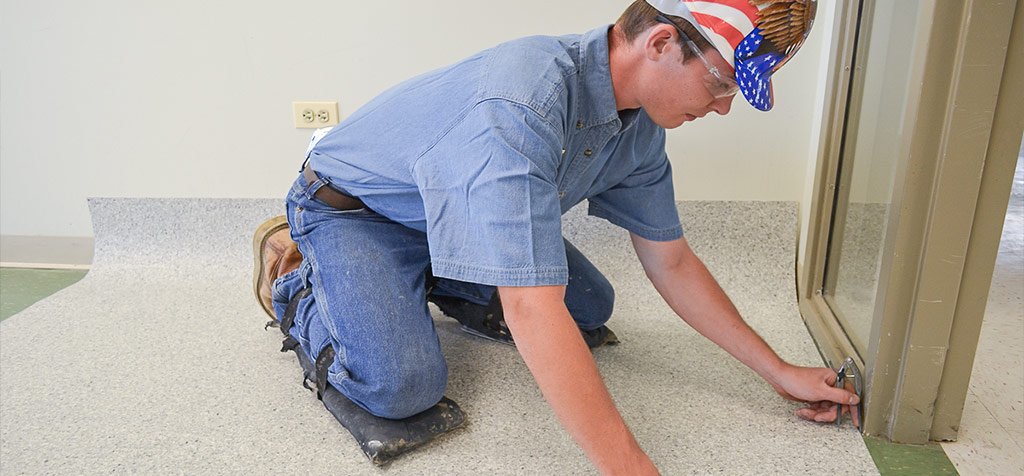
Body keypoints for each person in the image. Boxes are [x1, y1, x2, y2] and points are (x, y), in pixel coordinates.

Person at [252, 0, 858, 472]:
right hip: (358, 213)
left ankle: (426, 275)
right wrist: (632, 470)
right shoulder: (522, 102)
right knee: (403, 386)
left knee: (590, 306)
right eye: (723, 84)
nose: (724, 107)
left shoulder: (639, 129)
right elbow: (530, 307)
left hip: (442, 216)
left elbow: (671, 263)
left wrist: (777, 370)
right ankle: (297, 281)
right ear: (662, 42)